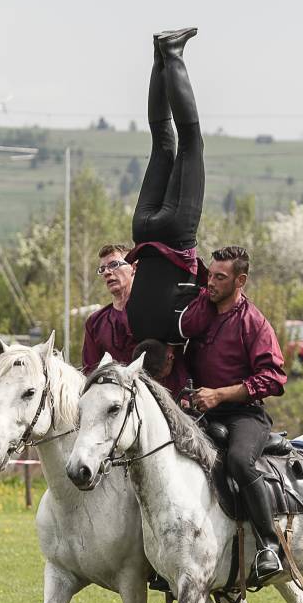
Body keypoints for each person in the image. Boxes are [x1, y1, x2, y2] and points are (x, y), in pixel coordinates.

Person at [181, 245, 288, 583]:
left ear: (240, 281)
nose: (210, 283)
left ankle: (270, 545)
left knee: (240, 461)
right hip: (201, 412)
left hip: (245, 415)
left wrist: (219, 395)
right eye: (210, 276)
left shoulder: (253, 322)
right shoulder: (201, 313)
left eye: (219, 278)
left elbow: (274, 378)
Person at [122, 27, 209, 345]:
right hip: (142, 232)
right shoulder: (136, 327)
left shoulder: (176, 334)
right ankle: (159, 57)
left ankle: (172, 53)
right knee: (161, 142)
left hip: (175, 234)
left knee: (191, 141)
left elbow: (208, 305)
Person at [81, 244, 137, 374]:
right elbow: (90, 373)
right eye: (102, 269)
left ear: (134, 267)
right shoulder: (95, 322)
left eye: (113, 265)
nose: (106, 272)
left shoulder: (153, 311)